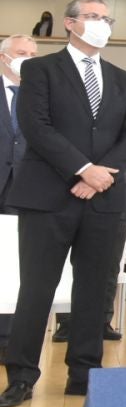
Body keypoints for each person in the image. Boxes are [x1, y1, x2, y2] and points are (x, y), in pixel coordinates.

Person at [0, 0, 126, 407]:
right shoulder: (40, 70)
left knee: (94, 291)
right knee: (37, 289)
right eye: (93, 17)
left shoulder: (123, 78)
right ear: (69, 23)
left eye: (106, 18)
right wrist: (82, 169)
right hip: (48, 197)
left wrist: (99, 177)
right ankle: (22, 375)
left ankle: (84, 372)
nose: (102, 24)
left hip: (102, 201)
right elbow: (36, 127)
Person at [0, 35, 39, 352]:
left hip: (24, 190)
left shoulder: (41, 97)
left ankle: (7, 337)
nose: (27, 58)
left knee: (13, 263)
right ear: (4, 57)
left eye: (32, 54)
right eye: (21, 53)